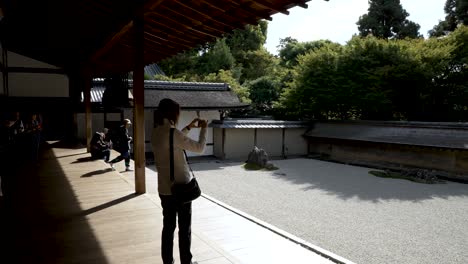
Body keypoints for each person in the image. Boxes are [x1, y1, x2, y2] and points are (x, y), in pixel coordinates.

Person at [151, 98, 207, 264]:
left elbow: (174, 139)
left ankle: (167, 262)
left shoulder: (156, 132)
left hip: (164, 189)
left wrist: (189, 127)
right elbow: (200, 148)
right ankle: (186, 262)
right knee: (184, 229)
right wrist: (204, 129)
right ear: (172, 114)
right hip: (181, 189)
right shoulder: (173, 134)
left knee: (168, 228)